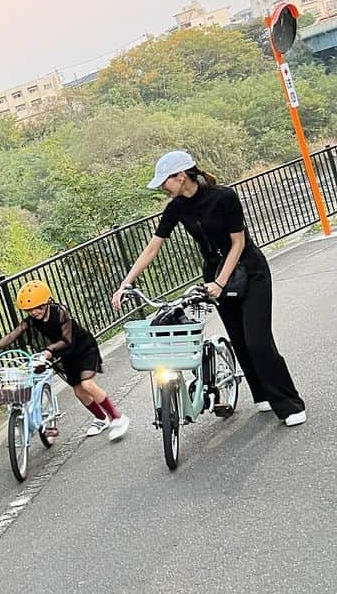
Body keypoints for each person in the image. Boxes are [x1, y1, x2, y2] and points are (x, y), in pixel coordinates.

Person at [112, 150, 306, 425]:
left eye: (165, 182)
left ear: (181, 176)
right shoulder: (176, 207)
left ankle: (290, 404)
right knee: (239, 340)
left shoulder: (224, 197)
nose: (163, 189)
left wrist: (219, 283)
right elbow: (152, 248)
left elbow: (238, 243)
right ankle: (262, 394)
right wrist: (126, 283)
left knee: (258, 341)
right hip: (215, 273)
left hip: (249, 271)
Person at [0, 280, 130, 440]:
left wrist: (48, 351)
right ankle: (102, 419)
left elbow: (67, 339)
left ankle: (117, 417)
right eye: (29, 310)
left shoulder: (60, 311)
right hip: (65, 356)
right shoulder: (32, 321)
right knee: (79, 392)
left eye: (38, 307)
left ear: (47, 302)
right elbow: (13, 335)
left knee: (87, 384)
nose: (34, 312)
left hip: (82, 348)